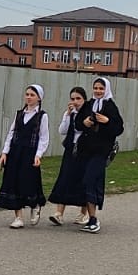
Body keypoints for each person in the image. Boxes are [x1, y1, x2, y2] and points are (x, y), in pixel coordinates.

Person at [73, 75, 124, 233]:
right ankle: (91, 218)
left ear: (106, 89)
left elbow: (119, 128)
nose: (98, 91)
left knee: (90, 179)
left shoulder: (110, 106)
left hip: (101, 151)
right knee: (90, 182)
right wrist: (84, 123)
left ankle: (93, 219)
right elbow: (77, 124)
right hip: (86, 150)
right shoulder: (89, 105)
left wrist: (107, 121)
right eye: (95, 88)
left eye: (101, 88)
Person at [0, 85, 49, 228]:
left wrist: (38, 155)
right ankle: (18, 217)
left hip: (30, 153)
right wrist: (5, 152)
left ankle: (35, 205)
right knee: (13, 182)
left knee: (29, 181)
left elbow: (44, 138)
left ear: (39, 98)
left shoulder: (42, 116)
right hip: (15, 152)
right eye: (27, 94)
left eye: (32, 95)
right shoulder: (19, 114)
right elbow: (11, 133)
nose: (29, 97)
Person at [45, 86, 88, 226]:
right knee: (64, 178)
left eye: (78, 98)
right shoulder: (71, 114)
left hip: (85, 150)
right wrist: (67, 115)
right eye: (73, 98)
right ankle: (59, 213)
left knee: (84, 181)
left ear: (84, 99)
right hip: (70, 149)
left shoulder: (88, 113)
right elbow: (62, 130)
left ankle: (83, 213)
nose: (75, 101)